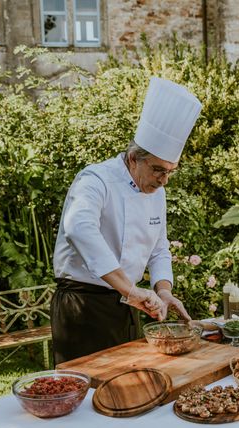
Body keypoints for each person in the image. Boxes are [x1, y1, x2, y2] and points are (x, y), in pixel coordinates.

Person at [51, 77, 202, 365]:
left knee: (127, 386)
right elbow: (79, 228)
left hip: (126, 306)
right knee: (86, 390)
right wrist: (130, 289)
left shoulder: (157, 192)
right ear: (134, 158)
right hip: (82, 306)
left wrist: (163, 291)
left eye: (171, 171)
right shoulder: (95, 179)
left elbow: (159, 248)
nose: (164, 179)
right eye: (158, 169)